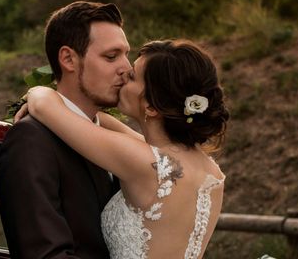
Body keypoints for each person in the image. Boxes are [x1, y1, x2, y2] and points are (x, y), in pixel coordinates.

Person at [24, 39, 229, 259]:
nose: (123, 75)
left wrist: (37, 90)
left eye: (132, 77)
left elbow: (43, 105)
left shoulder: (143, 162)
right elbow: (100, 122)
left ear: (150, 106)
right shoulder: (210, 172)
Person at [0, 1, 132, 258]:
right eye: (111, 57)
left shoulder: (113, 138)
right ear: (68, 59)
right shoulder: (32, 140)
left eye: (126, 54)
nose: (127, 68)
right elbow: (45, 254)